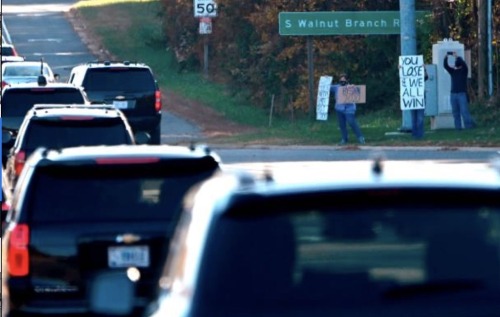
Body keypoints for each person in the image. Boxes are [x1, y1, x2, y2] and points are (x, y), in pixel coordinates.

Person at [330, 74, 365, 145]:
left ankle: (360, 137)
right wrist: (325, 81)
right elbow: (327, 87)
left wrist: (354, 88)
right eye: (341, 80)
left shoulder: (351, 87)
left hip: (349, 109)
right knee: (342, 125)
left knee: (351, 122)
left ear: (347, 80)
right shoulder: (337, 87)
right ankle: (344, 139)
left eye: (343, 80)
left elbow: (358, 94)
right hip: (339, 109)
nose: (342, 82)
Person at [443, 52, 475, 130]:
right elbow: (446, 66)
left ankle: (469, 126)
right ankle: (458, 128)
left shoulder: (464, 71)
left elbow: (463, 63)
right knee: (455, 113)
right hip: (453, 94)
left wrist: (456, 56)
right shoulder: (453, 71)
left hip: (461, 94)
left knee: (464, 112)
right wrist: (446, 57)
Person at [410, 65, 429, 139]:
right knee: (414, 118)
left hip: (420, 98)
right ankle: (414, 135)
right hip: (411, 98)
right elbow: (403, 77)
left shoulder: (420, 78)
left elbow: (426, 77)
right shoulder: (409, 79)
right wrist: (401, 69)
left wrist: (424, 69)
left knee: (420, 117)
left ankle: (420, 135)